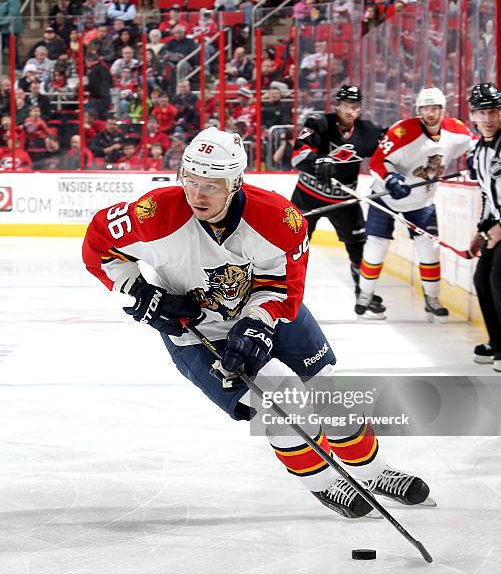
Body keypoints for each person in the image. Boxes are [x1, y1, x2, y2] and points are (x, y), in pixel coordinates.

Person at [82, 126, 434, 519]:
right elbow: (98, 244)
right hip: (197, 331)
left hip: (270, 310)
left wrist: (258, 321)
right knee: (280, 401)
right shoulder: (153, 214)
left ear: (235, 182)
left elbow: (286, 287)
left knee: (329, 392)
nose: (198, 194)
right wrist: (139, 289)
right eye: (191, 179)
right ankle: (323, 484)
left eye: (212, 185)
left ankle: (373, 472)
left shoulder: (280, 219)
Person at [356, 87, 475, 321]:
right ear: (419, 110)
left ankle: (432, 300)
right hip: (386, 197)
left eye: (435, 108)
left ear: (443, 109)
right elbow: (379, 161)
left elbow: (475, 145)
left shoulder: (456, 130)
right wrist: (391, 179)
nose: (431, 113)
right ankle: (365, 296)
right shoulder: (402, 131)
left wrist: (474, 160)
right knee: (376, 245)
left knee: (429, 248)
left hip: (422, 201)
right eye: (426, 108)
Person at [290, 85, 386, 316]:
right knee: (292, 246)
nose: (350, 111)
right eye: (346, 106)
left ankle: (364, 293)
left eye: (355, 106)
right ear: (337, 105)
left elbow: (392, 149)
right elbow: (297, 155)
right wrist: (317, 162)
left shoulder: (368, 131)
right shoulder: (318, 123)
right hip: (308, 196)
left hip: (344, 201)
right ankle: (286, 295)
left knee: (358, 248)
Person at [468, 83, 501, 373]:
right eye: (483, 112)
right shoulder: (480, 150)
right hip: (496, 225)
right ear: (473, 116)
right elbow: (488, 194)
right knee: (482, 278)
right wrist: (481, 230)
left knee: (498, 278)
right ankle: (497, 342)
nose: (489, 118)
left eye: (494, 111)